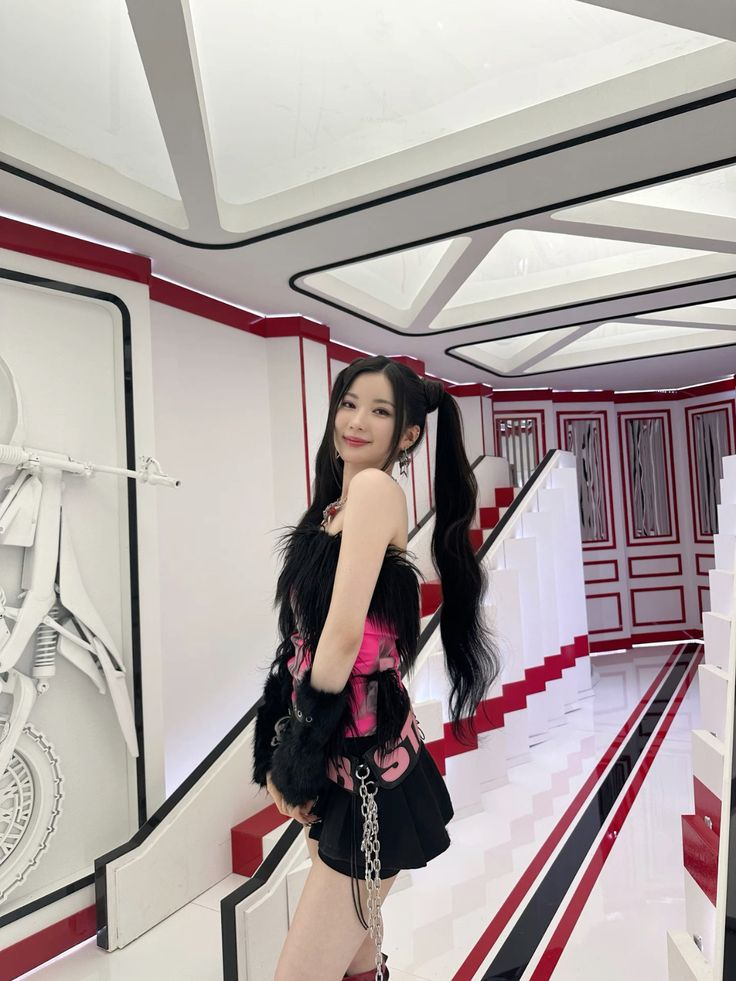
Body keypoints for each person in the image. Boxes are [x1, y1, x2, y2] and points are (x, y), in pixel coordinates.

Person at [251, 355, 500, 981]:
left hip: (368, 771)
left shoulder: (374, 491)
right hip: (345, 763)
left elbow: (339, 640)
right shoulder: (335, 506)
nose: (357, 421)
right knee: (357, 955)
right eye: (349, 403)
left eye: (379, 411)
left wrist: (294, 759)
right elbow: (303, 642)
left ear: (408, 434)